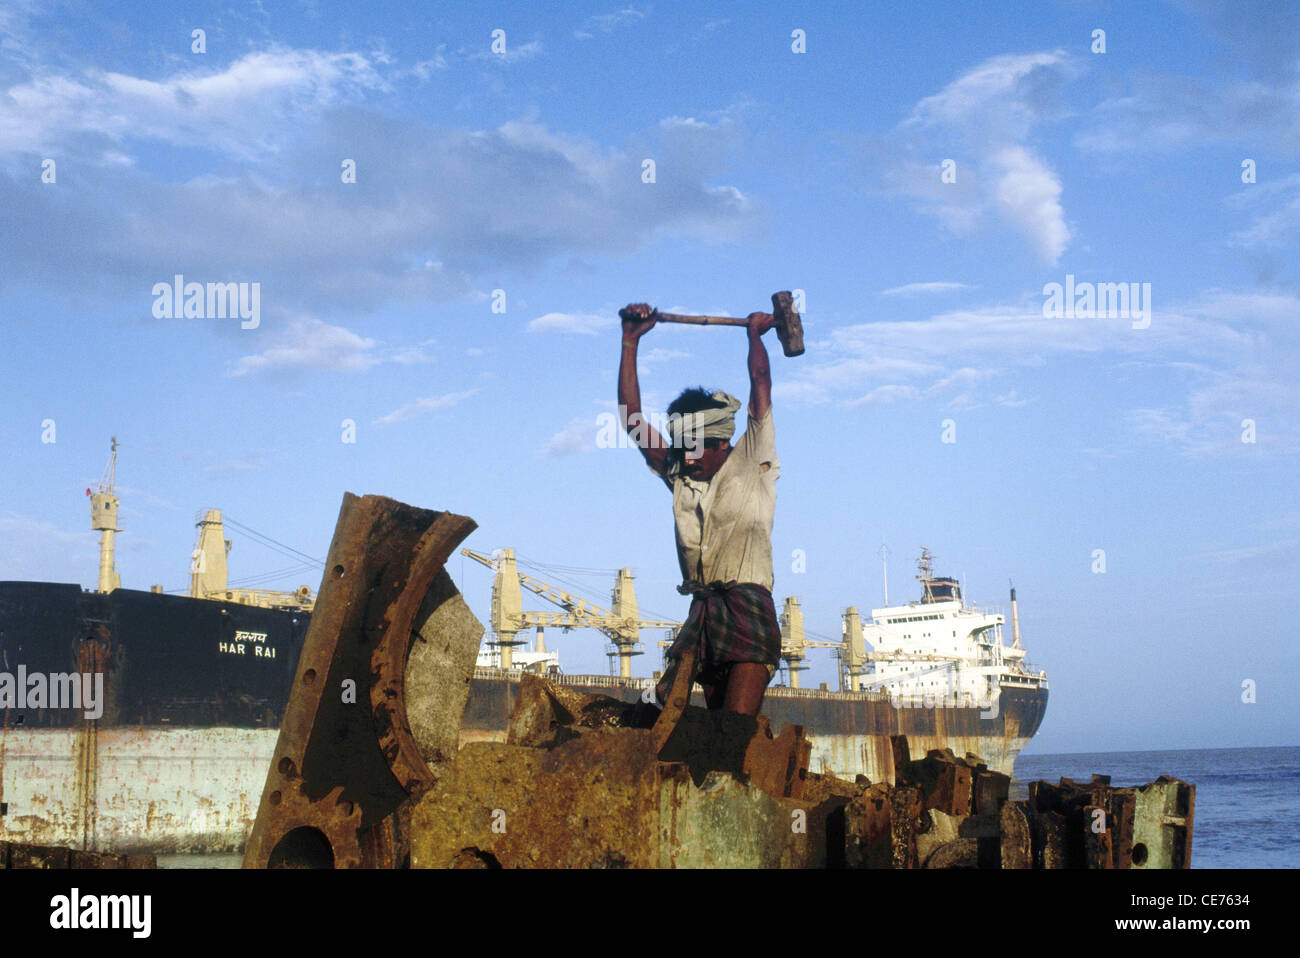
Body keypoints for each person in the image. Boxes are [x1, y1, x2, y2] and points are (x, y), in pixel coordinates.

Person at [617, 302, 782, 718]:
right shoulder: (680, 478)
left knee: (733, 726)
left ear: (721, 443)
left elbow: (760, 382)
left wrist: (755, 336)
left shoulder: (752, 461)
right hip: (703, 612)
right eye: (682, 449)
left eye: (695, 449)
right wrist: (630, 340)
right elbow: (632, 419)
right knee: (678, 716)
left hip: (749, 609)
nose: (687, 458)